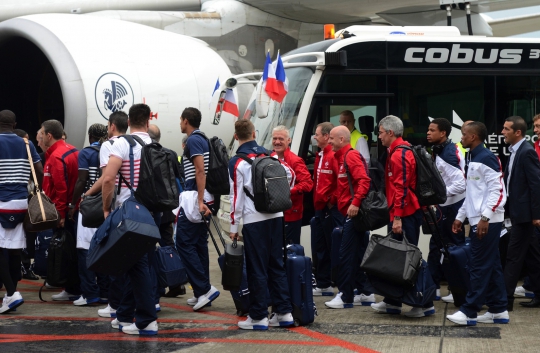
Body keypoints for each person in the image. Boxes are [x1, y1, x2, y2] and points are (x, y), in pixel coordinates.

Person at [229, 119, 293, 330]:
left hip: (254, 219)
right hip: (276, 215)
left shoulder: (236, 161)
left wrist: (233, 227)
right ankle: (284, 313)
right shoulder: (270, 154)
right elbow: (290, 176)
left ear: (236, 136)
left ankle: (258, 316)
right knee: (277, 264)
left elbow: (236, 197)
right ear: (255, 133)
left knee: (257, 268)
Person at [100, 103, 158, 335]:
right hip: (152, 210)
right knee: (137, 264)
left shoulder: (122, 144)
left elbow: (108, 179)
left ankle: (146, 320)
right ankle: (125, 314)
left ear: (129, 122)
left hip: (130, 212)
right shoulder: (154, 145)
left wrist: (106, 210)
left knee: (135, 265)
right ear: (146, 122)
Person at [371, 115, 435, 318]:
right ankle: (393, 301)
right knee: (397, 257)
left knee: (410, 259)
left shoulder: (400, 154)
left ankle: (425, 303)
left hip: (405, 214)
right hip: (402, 212)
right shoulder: (397, 150)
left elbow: (402, 188)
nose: (378, 136)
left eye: (380, 133)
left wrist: (397, 217)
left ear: (390, 132)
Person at [447, 121, 508, 326]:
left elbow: (498, 191)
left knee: (478, 266)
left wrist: (485, 218)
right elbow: (472, 194)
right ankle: (499, 309)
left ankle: (470, 311)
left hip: (487, 222)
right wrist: (460, 216)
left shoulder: (486, 158)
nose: (461, 137)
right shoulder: (472, 158)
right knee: (492, 266)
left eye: (463, 134)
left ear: (473, 137)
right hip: (480, 219)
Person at [85, 111, 128, 319]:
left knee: (113, 257)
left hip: (118, 207)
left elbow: (107, 179)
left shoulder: (109, 145)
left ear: (111, 126)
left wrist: (95, 199)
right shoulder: (135, 143)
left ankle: (114, 304)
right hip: (139, 207)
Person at [323, 126, 371, 309]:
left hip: (354, 214)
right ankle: (365, 292)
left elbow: (364, 181)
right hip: (349, 213)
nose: (329, 141)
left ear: (342, 139)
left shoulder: (350, 156)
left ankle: (345, 296)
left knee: (346, 254)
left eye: (332, 138)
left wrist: (355, 203)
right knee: (358, 253)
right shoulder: (341, 157)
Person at [177, 107, 220, 311]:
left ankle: (204, 288)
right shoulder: (202, 138)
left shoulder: (194, 139)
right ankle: (201, 292)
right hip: (202, 196)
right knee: (198, 244)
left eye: (181, 120)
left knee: (183, 242)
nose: (180, 123)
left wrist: (200, 201)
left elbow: (200, 170)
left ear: (186, 121)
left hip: (196, 196)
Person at [0, 110, 43, 314]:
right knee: (15, 249)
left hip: (1, 202)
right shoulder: (27, 144)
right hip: (20, 203)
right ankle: (11, 294)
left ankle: (11, 293)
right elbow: (40, 170)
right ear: (14, 123)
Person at [500, 116, 540, 311]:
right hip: (516, 212)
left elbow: (535, 184)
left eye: (506, 129)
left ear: (518, 132)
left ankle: (505, 300)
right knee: (533, 256)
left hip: (524, 216)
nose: (502, 132)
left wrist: (536, 215)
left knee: (513, 257)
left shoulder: (526, 152)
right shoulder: (514, 151)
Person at [69, 123, 109, 306]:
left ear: (90, 136)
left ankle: (89, 293)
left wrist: (73, 203)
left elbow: (81, 179)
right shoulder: (109, 150)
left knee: (84, 250)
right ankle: (105, 291)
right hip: (106, 204)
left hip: (88, 206)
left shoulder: (85, 153)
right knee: (103, 247)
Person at [426, 118, 466, 302]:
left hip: (453, 207)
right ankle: (433, 288)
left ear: (443, 133)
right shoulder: (438, 150)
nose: (428, 133)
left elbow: (460, 184)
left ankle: (456, 289)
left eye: (432, 130)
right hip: (444, 206)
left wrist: (438, 196)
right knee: (436, 247)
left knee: (454, 248)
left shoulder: (449, 154)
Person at [41, 119, 81, 301]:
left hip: (64, 212)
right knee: (72, 250)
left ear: (49, 135)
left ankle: (71, 288)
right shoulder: (72, 150)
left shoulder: (56, 157)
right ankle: (73, 287)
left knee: (66, 251)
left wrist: (61, 215)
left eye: (41, 133)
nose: (39, 137)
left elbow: (61, 189)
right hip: (73, 209)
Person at [311, 122, 343, 297]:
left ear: (325, 136)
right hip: (320, 208)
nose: (315, 137)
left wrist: (332, 201)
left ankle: (339, 284)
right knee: (320, 247)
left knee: (334, 246)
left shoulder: (333, 156)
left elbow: (341, 182)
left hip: (330, 208)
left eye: (317, 134)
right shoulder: (321, 155)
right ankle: (323, 284)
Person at [271, 126, 313, 245]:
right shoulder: (268, 158)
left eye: (281, 139)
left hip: (291, 214)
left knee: (290, 251)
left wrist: (288, 192)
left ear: (289, 140)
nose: (277, 142)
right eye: (275, 138)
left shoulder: (295, 160)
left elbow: (308, 184)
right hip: (273, 214)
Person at [516, 113, 540, 298]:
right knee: (534, 247)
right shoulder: (536, 146)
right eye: (535, 126)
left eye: (539, 126)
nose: (536, 130)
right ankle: (532, 284)